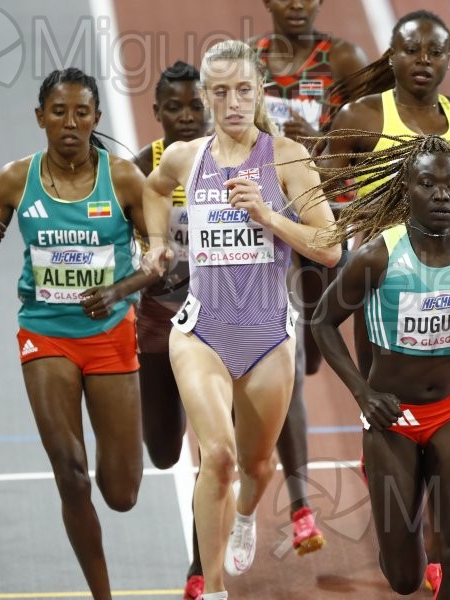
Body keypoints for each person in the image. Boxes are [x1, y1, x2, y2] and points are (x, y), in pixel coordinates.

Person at [141, 40, 341, 600]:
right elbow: (154, 190)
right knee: (220, 457)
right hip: (201, 330)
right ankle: (215, 586)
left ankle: (247, 518)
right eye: (220, 92)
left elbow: (329, 247)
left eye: (243, 91)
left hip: (268, 335)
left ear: (259, 94)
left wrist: (269, 215)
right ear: (206, 96)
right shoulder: (186, 157)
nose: (232, 103)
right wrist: (157, 244)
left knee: (256, 468)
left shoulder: (287, 158)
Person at [306, 134, 450, 599]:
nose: (442, 196)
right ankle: (390, 495)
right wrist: (363, 395)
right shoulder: (378, 258)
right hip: (393, 418)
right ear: (407, 188)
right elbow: (323, 322)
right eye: (428, 184)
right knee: (405, 578)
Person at [0, 68, 156, 600]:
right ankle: (102, 595)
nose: (70, 123)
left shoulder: (122, 181)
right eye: (58, 112)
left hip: (111, 333)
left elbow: (162, 260)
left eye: (82, 113)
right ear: (40, 118)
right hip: (45, 334)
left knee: (121, 494)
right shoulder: (11, 180)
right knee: (70, 472)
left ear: (95, 118)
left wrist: (119, 291)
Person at [248, 0, 367, 556]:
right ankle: (301, 507)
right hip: (272, 225)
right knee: (292, 359)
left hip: (327, 221)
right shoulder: (249, 63)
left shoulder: (343, 59)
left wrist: (314, 145)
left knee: (319, 348)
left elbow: (368, 147)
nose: (296, 3)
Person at [320, 9, 450, 380]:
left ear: (449, 59)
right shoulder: (360, 117)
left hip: (445, 268)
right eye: (412, 49)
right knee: (378, 389)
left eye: (435, 52)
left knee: (444, 380)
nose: (423, 60)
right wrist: (335, 239)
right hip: (381, 270)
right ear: (392, 55)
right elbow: (327, 187)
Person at [132, 60, 208, 600]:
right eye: (174, 107)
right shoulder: (140, 170)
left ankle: (203, 566)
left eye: (196, 105)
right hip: (160, 319)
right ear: (156, 113)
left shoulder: (235, 162)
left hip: (221, 318)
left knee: (216, 447)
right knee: (162, 451)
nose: (186, 115)